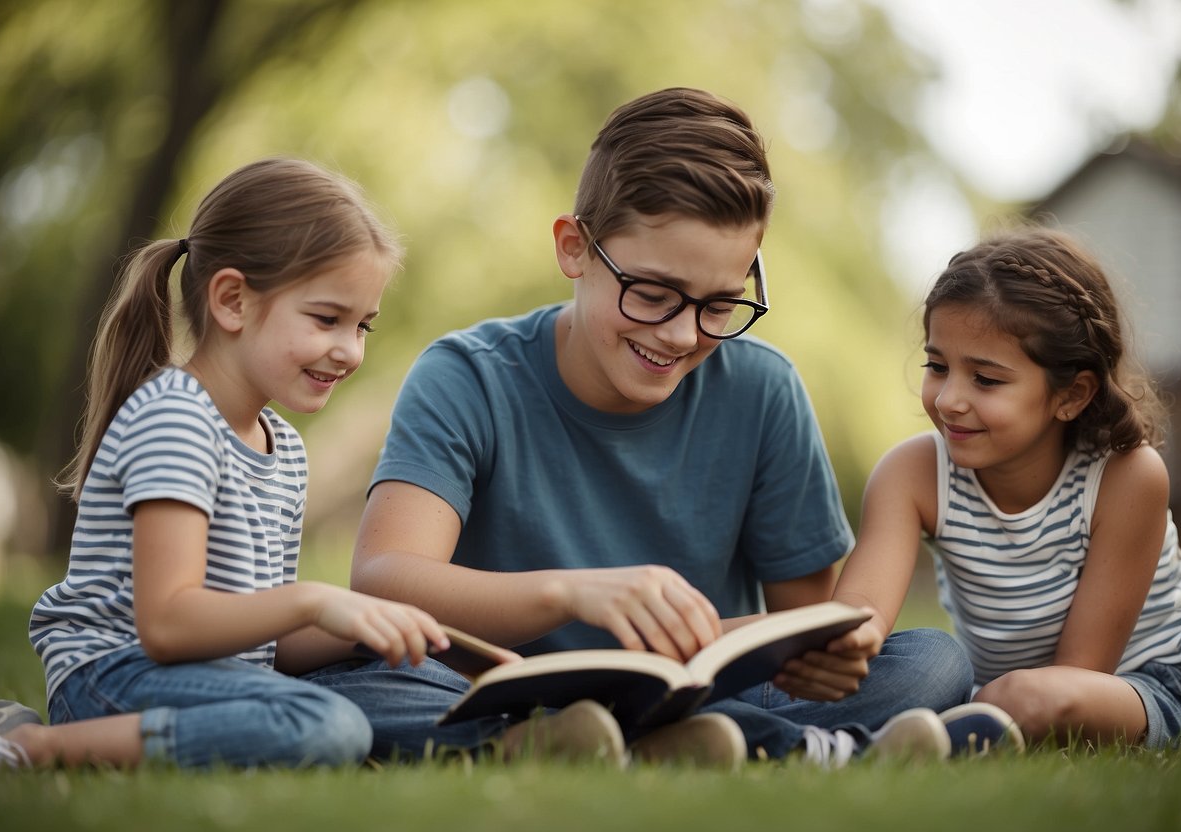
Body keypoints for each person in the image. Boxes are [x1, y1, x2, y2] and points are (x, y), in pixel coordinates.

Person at [322, 87, 979, 768]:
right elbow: (384, 580)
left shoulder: (763, 390)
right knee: (360, 682)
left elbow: (800, 629)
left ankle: (638, 742)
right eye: (653, 295)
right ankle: (784, 750)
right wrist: (573, 593)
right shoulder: (467, 376)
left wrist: (819, 657)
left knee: (929, 660)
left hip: (690, 693)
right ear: (574, 248)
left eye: (719, 306)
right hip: (494, 683)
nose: (681, 334)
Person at [0, 158, 617, 772]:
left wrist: (382, 629)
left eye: (363, 325)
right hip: (113, 676)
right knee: (324, 724)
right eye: (327, 319)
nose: (350, 350)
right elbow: (168, 626)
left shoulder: (282, 445)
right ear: (232, 301)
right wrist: (313, 600)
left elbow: (265, 645)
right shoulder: (174, 419)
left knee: (407, 674)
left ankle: (520, 735)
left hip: (220, 674)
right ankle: (31, 746)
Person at [831, 225, 1181, 749]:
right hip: (994, 692)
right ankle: (837, 741)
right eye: (937, 366)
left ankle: (914, 737)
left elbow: (1080, 672)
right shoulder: (912, 473)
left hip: (1142, 685)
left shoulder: (1126, 477)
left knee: (1035, 701)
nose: (949, 399)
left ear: (1072, 394)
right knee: (932, 668)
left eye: (986, 379)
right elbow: (861, 608)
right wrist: (848, 644)